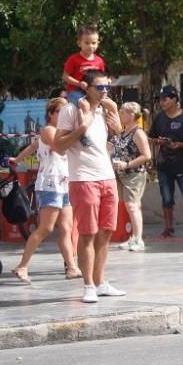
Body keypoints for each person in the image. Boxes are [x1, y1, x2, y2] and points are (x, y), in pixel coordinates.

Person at [54, 69, 125, 303]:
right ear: (87, 87)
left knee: (106, 232)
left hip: (107, 177)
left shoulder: (106, 108)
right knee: (87, 233)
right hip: (83, 179)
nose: (104, 91)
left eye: (107, 87)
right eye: (100, 87)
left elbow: (116, 137)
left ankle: (101, 282)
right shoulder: (71, 110)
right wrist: (81, 129)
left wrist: (117, 127)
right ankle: (88, 286)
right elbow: (58, 146)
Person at [7, 98, 80, 283]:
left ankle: (71, 267)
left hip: (64, 183)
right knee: (46, 228)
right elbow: (58, 147)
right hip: (50, 183)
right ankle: (22, 266)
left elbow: (32, 147)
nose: (65, 116)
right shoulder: (49, 130)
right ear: (51, 114)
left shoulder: (62, 132)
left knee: (66, 228)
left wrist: (16, 159)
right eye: (60, 112)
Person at [149, 85, 183, 237]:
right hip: (164, 164)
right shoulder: (159, 117)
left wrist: (181, 145)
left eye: (165, 99)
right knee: (166, 197)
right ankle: (169, 227)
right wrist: (158, 141)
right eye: (160, 100)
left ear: (174, 99)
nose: (162, 103)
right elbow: (151, 136)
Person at [109, 102, 152, 250]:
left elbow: (147, 155)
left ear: (131, 115)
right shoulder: (125, 131)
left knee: (133, 206)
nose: (120, 115)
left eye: (122, 113)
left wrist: (127, 164)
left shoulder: (138, 133)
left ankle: (138, 238)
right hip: (122, 174)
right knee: (129, 205)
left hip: (134, 174)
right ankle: (133, 236)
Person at [61, 25, 106, 106]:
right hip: (76, 91)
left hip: (94, 91)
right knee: (84, 105)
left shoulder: (99, 61)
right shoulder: (73, 59)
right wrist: (79, 84)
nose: (90, 46)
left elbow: (102, 78)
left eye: (94, 43)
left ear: (98, 43)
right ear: (79, 43)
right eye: (87, 43)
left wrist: (107, 81)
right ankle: (84, 118)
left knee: (110, 104)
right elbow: (65, 76)